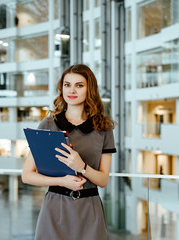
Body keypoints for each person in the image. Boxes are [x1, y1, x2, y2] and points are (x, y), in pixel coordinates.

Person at [22, 64, 116, 240]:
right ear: (61, 88)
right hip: (55, 208)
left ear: (90, 89)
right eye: (67, 84)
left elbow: (103, 180)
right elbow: (27, 175)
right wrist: (62, 181)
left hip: (90, 210)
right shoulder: (48, 124)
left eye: (79, 85)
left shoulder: (103, 127)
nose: (72, 90)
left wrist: (81, 166)